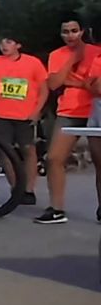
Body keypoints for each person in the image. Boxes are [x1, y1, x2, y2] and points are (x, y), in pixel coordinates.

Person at [36, 18, 100, 225]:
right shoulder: (57, 55)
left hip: (94, 110)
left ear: (83, 31)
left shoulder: (95, 51)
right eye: (65, 32)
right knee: (54, 158)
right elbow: (54, 83)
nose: (70, 36)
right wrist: (72, 61)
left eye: (74, 31)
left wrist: (73, 81)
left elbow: (95, 85)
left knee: (100, 162)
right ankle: (56, 209)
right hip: (69, 110)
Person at [0, 35, 46, 206]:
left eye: (8, 42)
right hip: (2, 115)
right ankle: (16, 186)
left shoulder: (33, 63)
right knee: (2, 150)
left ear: (18, 44)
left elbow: (43, 89)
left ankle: (29, 189)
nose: (4, 46)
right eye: (1, 42)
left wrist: (37, 111)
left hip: (25, 115)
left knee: (28, 150)